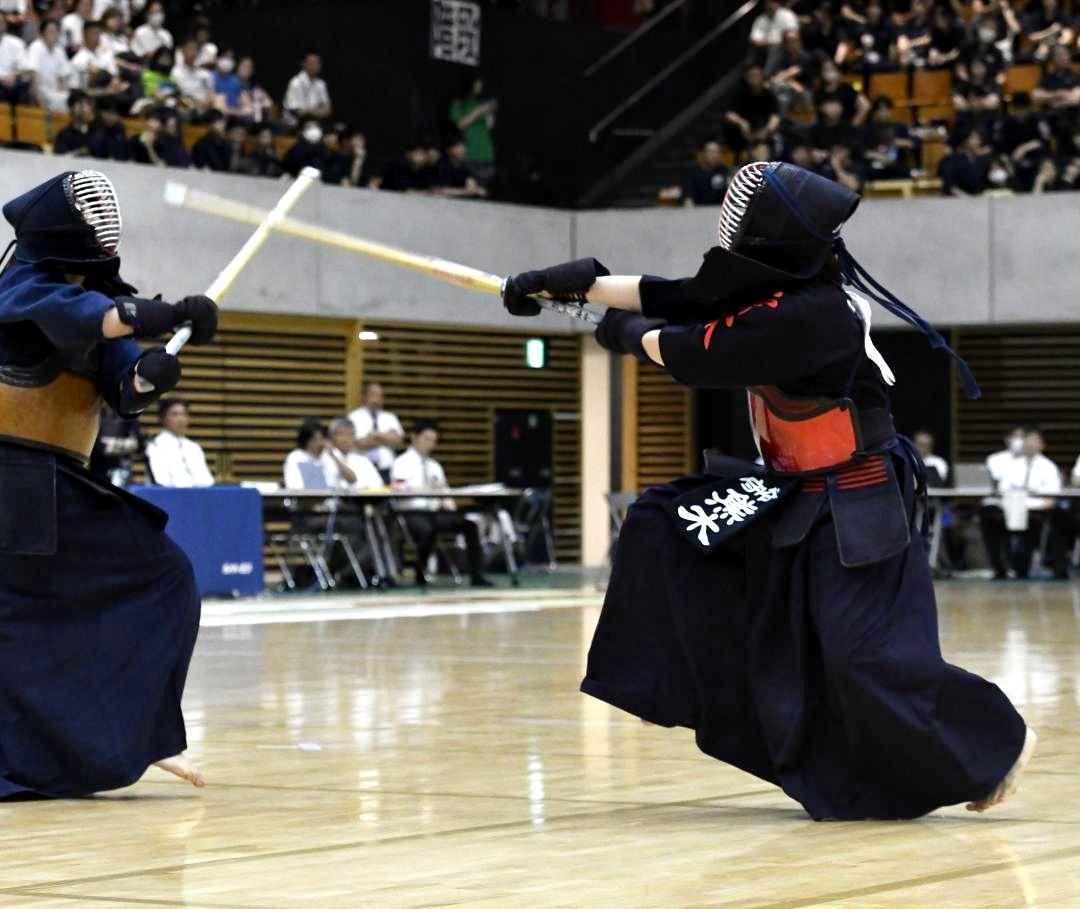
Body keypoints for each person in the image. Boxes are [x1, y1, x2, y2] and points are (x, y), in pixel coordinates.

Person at [501, 159, 1034, 818]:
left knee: (860, 657)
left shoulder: (816, 313)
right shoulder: (774, 287)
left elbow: (695, 351)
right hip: (793, 485)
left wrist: (621, 330)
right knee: (662, 524)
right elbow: (683, 295)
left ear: (769, 238)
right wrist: (576, 284)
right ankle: (675, 676)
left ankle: (994, 745)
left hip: (856, 489)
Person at [0, 169, 218, 798]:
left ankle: (130, 731)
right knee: (18, 616)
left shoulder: (100, 299)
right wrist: (165, 313)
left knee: (163, 575)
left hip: (63, 481)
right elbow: (88, 319)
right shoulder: (22, 287)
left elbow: (125, 386)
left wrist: (151, 375)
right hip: (10, 476)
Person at [392, 420, 490, 588]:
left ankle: (477, 576)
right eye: (426, 439)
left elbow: (445, 491)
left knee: (469, 526)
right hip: (412, 512)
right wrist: (428, 489)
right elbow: (399, 491)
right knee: (427, 529)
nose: (430, 444)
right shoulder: (401, 462)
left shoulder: (434, 466)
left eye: (434, 440)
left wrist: (450, 505)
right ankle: (420, 570)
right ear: (414, 438)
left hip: (435, 511)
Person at [979, 428, 1066, 579]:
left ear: (1042, 445)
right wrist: (1006, 506)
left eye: (1035, 441)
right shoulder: (1013, 465)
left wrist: (1027, 509)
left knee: (1043, 521)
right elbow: (1002, 492)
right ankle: (999, 568)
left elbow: (1051, 500)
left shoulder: (1048, 467)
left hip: (1036, 510)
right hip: (1011, 508)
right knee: (988, 515)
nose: (1030, 444)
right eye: (1028, 440)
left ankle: (1025, 568)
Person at [146, 397, 215, 487]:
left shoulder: (194, 447)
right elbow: (161, 482)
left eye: (183, 414)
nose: (180, 419)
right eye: (174, 414)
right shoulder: (155, 446)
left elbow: (207, 481)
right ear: (163, 418)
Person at [348, 381, 404, 481]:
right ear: (364, 397)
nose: (376, 399)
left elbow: (398, 440)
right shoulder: (353, 417)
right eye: (373, 395)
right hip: (362, 471)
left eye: (380, 396)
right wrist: (386, 437)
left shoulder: (390, 417)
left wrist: (375, 435)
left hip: (386, 471)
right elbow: (359, 443)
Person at [450, 77, 497, 187]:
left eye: (480, 85)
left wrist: (490, 112)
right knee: (469, 188)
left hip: (486, 152)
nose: (479, 88)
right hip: (469, 152)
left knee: (485, 190)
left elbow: (489, 127)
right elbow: (460, 124)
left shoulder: (481, 102)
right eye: (477, 84)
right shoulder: (458, 102)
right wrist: (478, 111)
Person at [89, 402, 147, 487]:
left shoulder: (128, 416)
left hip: (123, 471)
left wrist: (109, 444)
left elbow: (139, 444)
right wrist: (126, 445)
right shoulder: (94, 417)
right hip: (99, 473)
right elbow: (98, 448)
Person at [319, 417, 384, 491]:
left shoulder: (362, 459)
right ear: (331, 436)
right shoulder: (324, 457)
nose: (346, 439)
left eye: (350, 435)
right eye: (341, 434)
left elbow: (378, 484)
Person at [26, 18, 72, 112]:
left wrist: (65, 95)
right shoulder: (35, 48)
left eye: (56, 32)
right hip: (39, 91)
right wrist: (41, 106)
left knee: (70, 99)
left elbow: (64, 78)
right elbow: (34, 79)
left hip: (55, 93)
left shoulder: (59, 50)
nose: (54, 35)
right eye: (51, 31)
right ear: (42, 33)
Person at [284, 51, 331, 123]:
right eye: (311, 63)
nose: (314, 66)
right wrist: (317, 110)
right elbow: (296, 111)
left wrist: (309, 110)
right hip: (295, 123)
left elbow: (327, 110)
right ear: (304, 64)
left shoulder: (321, 84)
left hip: (317, 121)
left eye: (317, 63)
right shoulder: (295, 83)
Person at [681, 140, 729, 206]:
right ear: (703, 153)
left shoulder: (724, 171)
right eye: (711, 152)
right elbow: (688, 199)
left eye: (717, 152)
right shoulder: (692, 173)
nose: (714, 155)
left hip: (720, 209)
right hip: (699, 209)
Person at [283, 418, 328, 488]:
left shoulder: (326, 456)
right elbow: (294, 486)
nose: (320, 443)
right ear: (306, 441)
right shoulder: (296, 457)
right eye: (315, 439)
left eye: (321, 439)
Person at [0, 14, 29, 103]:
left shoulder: (17, 43)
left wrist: (13, 76)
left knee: (22, 84)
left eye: (1, 22)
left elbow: (23, 67)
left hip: (12, 81)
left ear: (5, 25)